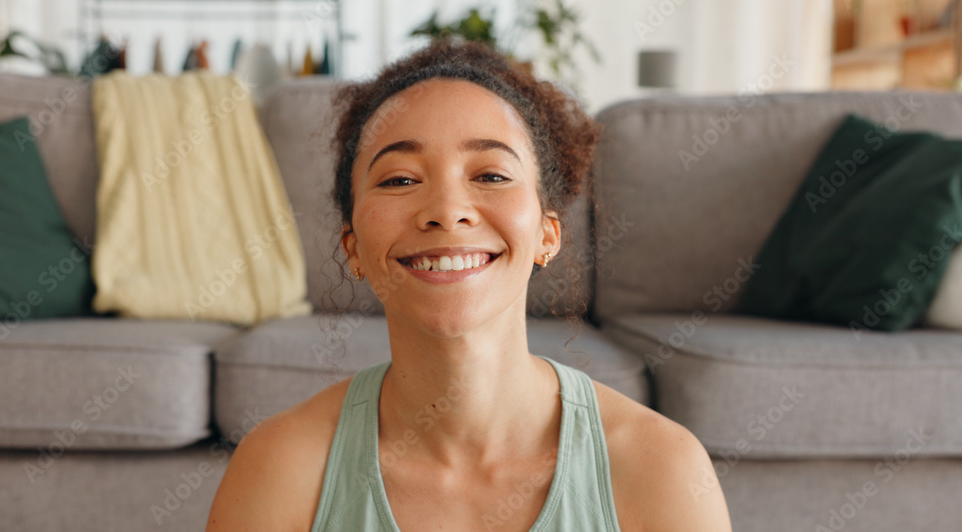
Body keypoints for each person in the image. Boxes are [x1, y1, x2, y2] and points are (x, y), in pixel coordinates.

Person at [206, 39, 732, 531]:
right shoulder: (278, 469)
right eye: (401, 180)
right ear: (353, 249)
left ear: (548, 234)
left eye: (491, 175)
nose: (446, 211)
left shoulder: (664, 470)